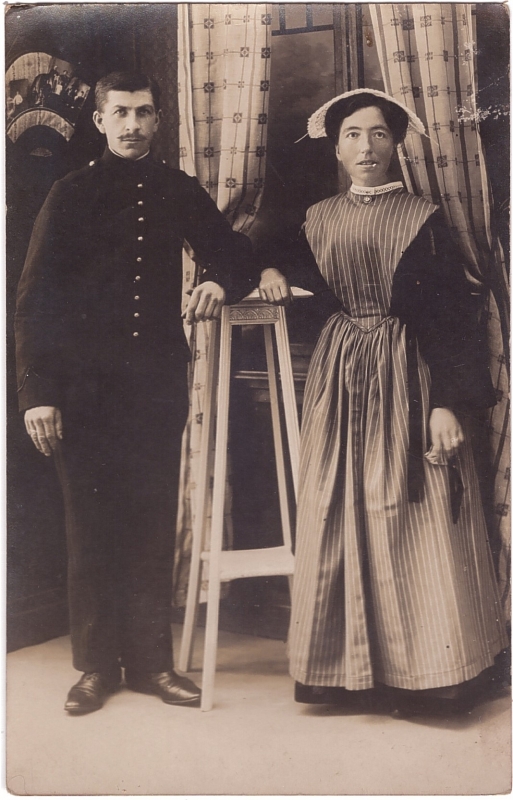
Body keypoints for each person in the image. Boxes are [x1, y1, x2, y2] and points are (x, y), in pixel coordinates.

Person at [15, 71, 257, 715]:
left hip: (154, 387)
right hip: (80, 389)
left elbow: (229, 248)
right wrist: (38, 392)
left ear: (157, 120)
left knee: (150, 521)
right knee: (91, 525)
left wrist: (219, 280)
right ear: (100, 120)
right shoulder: (70, 193)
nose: (131, 125)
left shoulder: (178, 190)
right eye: (119, 113)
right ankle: (96, 667)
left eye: (143, 114)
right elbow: (35, 301)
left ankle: (151, 664)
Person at [262, 89, 508, 716]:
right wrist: (265, 272)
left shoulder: (424, 220)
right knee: (338, 503)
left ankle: (428, 675)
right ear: (335, 145)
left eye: (377, 134)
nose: (365, 148)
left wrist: (447, 402)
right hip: (340, 374)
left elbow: (454, 317)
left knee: (404, 506)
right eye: (351, 135)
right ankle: (343, 672)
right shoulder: (315, 217)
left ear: (397, 143)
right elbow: (269, 262)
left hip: (410, 375)